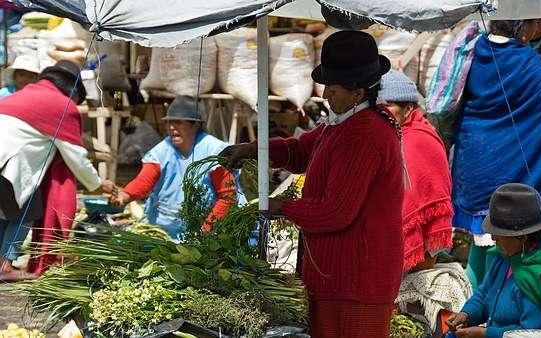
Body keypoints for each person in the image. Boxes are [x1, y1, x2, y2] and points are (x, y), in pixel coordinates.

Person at [220, 30, 404, 338]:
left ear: (357, 92)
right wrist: (254, 150)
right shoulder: (344, 123)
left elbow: (335, 211)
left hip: (357, 282)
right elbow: (302, 150)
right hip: (336, 276)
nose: (325, 94)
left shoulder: (365, 134)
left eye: (332, 88)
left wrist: (277, 207)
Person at [446, 20, 541, 290]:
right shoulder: (524, 60)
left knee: (481, 244)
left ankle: (467, 312)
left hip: (475, 162)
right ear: (523, 27)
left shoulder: (475, 48)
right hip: (511, 167)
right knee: (513, 248)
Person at [0, 60, 111, 279]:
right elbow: (76, 157)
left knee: (4, 213)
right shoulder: (63, 105)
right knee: (28, 210)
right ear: (73, 89)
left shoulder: (26, 92)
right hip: (10, 163)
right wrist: (97, 184)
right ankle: (5, 265)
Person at [104, 95, 245, 242]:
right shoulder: (163, 150)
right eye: (169, 122)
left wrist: (205, 231)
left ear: (195, 125)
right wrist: (124, 196)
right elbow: (144, 181)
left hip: (210, 229)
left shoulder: (214, 151)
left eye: (178, 122)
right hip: (164, 231)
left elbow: (227, 196)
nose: (171, 127)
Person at [446, 183, 541, 337]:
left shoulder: (539, 276)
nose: (493, 237)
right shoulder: (504, 257)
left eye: (499, 233)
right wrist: (466, 314)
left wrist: (487, 334)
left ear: (522, 237)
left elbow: (532, 333)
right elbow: (484, 293)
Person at [378, 69, 453, 272]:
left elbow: (410, 198)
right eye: (377, 107)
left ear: (408, 108)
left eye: (388, 106)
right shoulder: (392, 134)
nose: (381, 113)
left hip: (420, 237)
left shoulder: (416, 139)